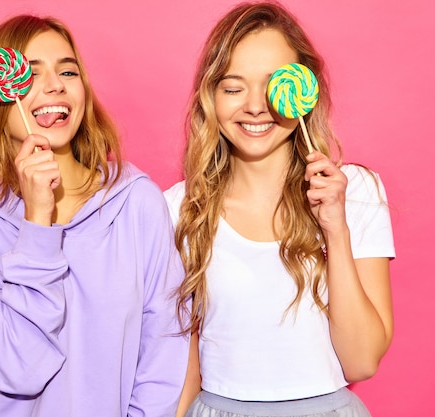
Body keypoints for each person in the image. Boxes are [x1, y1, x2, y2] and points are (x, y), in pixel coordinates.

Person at [0, 15, 188, 417]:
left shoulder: (135, 201)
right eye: (31, 73)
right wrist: (37, 222)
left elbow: (165, 345)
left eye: (67, 70)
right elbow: (16, 370)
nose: (55, 84)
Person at [165, 2, 395, 417]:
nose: (255, 106)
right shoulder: (180, 207)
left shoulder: (356, 192)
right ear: (210, 96)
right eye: (233, 87)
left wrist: (335, 230)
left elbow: (362, 361)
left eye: (273, 86)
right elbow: (184, 359)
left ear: (305, 92)